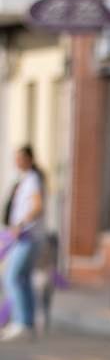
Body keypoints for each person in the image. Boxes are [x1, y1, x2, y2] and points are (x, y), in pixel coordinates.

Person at [3, 145, 44, 341]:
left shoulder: (32, 179)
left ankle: (21, 322)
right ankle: (28, 322)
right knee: (24, 279)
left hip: (27, 237)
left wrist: (21, 224)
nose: (17, 162)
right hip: (25, 237)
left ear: (29, 159)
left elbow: (37, 206)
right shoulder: (24, 179)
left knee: (11, 277)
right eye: (15, 158)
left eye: (20, 158)